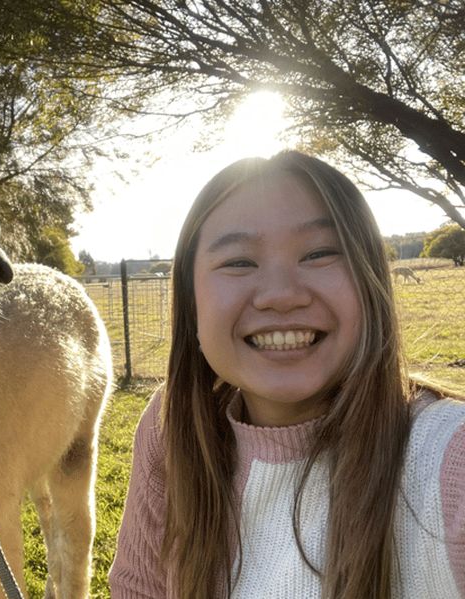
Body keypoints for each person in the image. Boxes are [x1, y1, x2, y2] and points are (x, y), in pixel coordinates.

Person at [108, 151, 465, 598]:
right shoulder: (172, 426)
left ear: (371, 280)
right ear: (191, 304)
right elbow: (140, 588)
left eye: (318, 253)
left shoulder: (447, 457)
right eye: (239, 262)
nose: (280, 296)